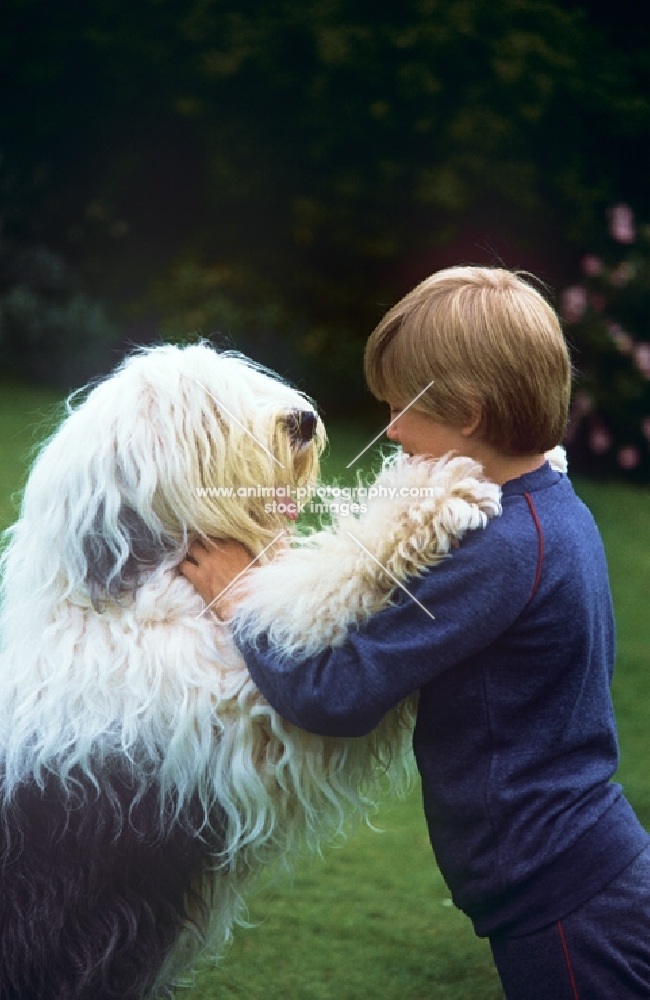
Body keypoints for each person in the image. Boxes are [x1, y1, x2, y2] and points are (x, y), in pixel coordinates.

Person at [181, 266, 650, 998]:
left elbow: (336, 693)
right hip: (576, 872)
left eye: (402, 407)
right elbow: (378, 590)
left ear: (466, 410)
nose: (390, 429)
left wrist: (239, 596)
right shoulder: (546, 508)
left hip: (560, 894)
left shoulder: (503, 548)